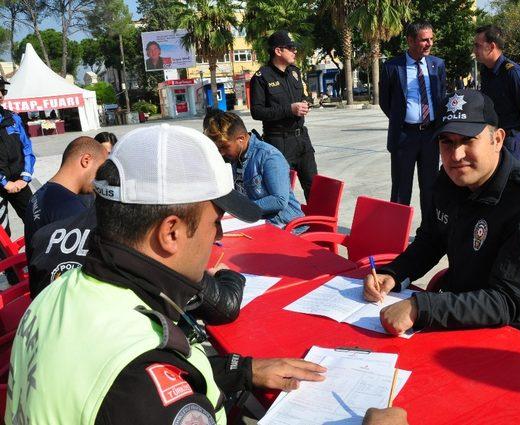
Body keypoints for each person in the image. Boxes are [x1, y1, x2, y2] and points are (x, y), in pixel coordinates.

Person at [8, 124, 405, 424]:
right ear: (171, 232)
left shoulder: (60, 294)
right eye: (215, 222)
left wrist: (242, 370)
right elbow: (144, 386)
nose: (218, 237)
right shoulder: (141, 373)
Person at [363, 90, 520, 338]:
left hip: (516, 332)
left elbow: (507, 302)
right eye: (446, 141)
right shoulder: (449, 181)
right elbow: (431, 240)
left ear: (498, 139)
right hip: (459, 311)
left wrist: (421, 308)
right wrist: (394, 274)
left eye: (468, 140)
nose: (456, 155)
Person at [380, 21, 447, 217]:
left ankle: (428, 236)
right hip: (404, 137)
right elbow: (386, 102)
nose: (429, 43)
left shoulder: (437, 65)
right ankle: (396, 236)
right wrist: (403, 120)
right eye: (424, 40)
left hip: (430, 137)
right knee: (401, 190)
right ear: (410, 40)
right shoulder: (392, 67)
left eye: (431, 39)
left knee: (430, 189)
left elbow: (441, 97)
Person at [204, 109, 304, 228]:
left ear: (241, 139)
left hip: (285, 226)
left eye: (224, 147)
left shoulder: (269, 156)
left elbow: (279, 200)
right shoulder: (236, 156)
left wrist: (240, 208)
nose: (221, 153)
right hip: (256, 221)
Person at [250, 30, 318, 200]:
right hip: (278, 142)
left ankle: (318, 225)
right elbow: (256, 112)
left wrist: (305, 103)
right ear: (278, 51)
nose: (295, 51)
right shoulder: (261, 77)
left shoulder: (295, 73)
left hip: (302, 139)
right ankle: (287, 226)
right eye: (290, 47)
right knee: (282, 192)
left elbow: (302, 96)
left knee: (314, 188)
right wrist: (290, 109)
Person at [24, 136, 107, 257]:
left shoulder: (41, 193)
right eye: (101, 169)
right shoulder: (71, 209)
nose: (101, 178)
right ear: (86, 160)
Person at [473, 25, 520, 162]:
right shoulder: (485, 70)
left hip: (510, 141)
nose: (474, 50)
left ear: (491, 47)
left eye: (477, 45)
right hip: (491, 137)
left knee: (511, 181)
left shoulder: (512, 73)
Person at [0, 76, 36, 237]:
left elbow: (27, 148)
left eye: (2, 90)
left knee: (36, 220)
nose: (0, 94)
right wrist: (4, 183)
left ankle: (39, 258)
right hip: (2, 184)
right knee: (2, 234)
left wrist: (25, 178)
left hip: (19, 182)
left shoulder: (13, 118)